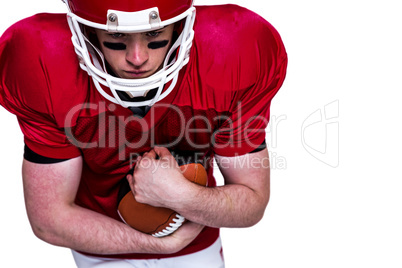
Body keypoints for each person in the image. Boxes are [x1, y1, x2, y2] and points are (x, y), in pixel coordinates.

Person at [0, 0, 287, 267]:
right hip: (101, 247)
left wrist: (181, 196)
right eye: (117, 37)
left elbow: (251, 202)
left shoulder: (233, 50)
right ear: (86, 29)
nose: (137, 58)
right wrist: (161, 244)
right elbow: (50, 218)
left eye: (155, 34)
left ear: (179, 25)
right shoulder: (41, 61)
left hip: (196, 245)